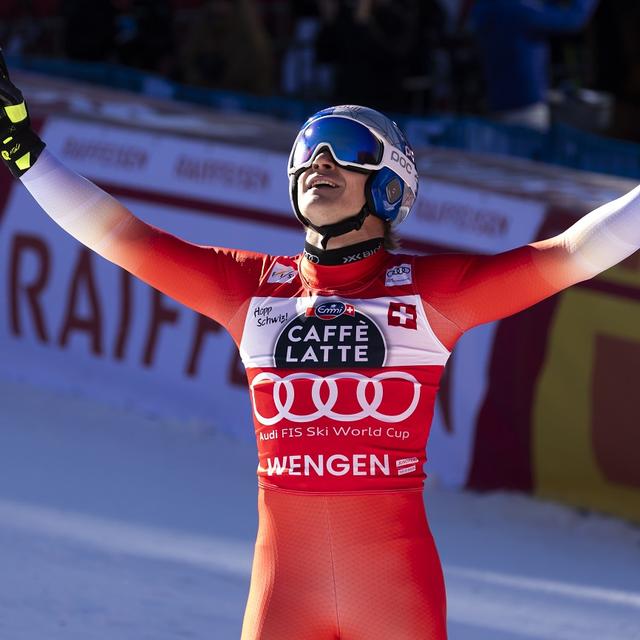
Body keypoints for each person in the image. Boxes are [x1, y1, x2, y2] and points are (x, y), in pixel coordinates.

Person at [2, 53, 640, 639]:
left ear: (391, 187)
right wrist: (22, 148)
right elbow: (120, 236)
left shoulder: (429, 293)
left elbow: (572, 253)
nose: (321, 161)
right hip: (285, 587)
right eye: (308, 148)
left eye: (349, 149)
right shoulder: (251, 288)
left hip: (394, 589)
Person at [471, 0, 599, 131]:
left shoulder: (486, 6)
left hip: (496, 102)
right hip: (525, 108)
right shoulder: (518, 10)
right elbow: (572, 19)